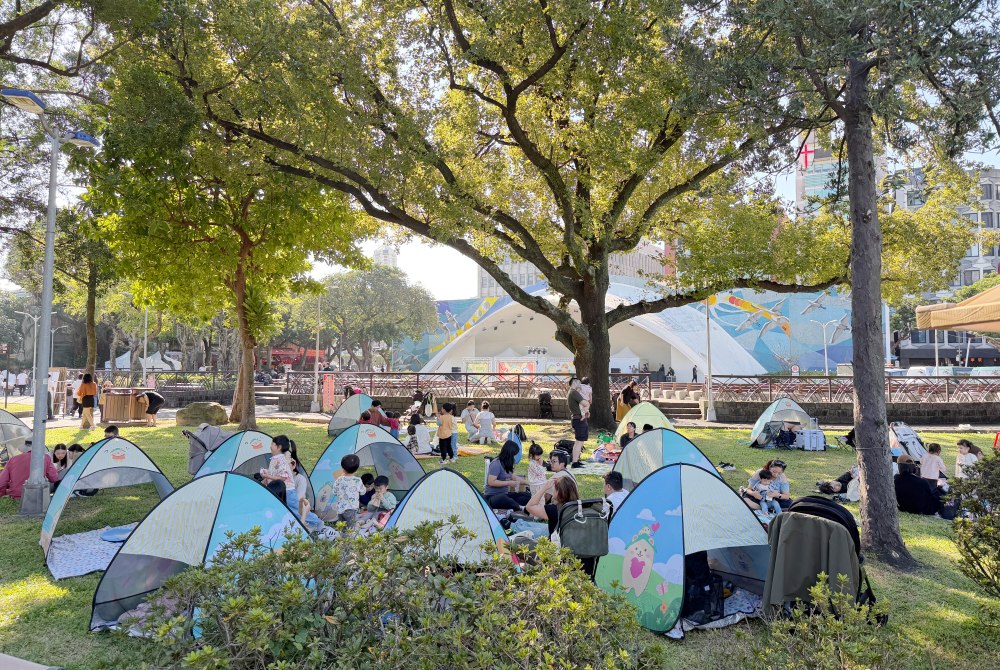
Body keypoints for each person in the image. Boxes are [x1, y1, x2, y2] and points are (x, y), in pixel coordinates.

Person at [525, 476, 596, 576]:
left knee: (519, 540)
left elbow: (529, 506)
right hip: (585, 565)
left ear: (558, 492)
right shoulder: (585, 509)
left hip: (558, 561)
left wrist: (544, 488)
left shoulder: (554, 510)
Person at [484, 440, 531, 511]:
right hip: (492, 497)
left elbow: (513, 477)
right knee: (503, 499)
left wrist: (528, 483)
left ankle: (517, 506)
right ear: (509, 454)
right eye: (513, 455)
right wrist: (509, 483)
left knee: (526, 496)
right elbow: (491, 482)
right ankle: (520, 507)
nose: (514, 457)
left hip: (505, 494)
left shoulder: (507, 463)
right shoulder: (496, 464)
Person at [258, 436, 297, 511]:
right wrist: (267, 473)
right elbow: (276, 472)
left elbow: (283, 477)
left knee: (296, 511)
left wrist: (268, 476)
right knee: (289, 510)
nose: (270, 446)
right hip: (282, 490)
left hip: (287, 490)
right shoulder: (275, 459)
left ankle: (314, 518)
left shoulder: (281, 460)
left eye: (272, 444)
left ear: (279, 447)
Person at [332, 454, 365, 528]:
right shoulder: (357, 480)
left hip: (340, 509)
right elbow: (363, 492)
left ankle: (342, 535)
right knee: (351, 528)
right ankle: (350, 535)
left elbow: (334, 492)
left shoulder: (339, 480)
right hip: (351, 509)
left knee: (342, 527)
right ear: (356, 469)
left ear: (343, 468)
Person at [566, 377, 587, 468]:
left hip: (578, 419)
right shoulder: (573, 392)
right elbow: (585, 403)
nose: (580, 383)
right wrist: (587, 406)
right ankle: (574, 462)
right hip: (578, 419)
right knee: (579, 441)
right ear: (574, 382)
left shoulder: (573, 392)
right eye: (578, 382)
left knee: (580, 441)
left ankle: (576, 460)